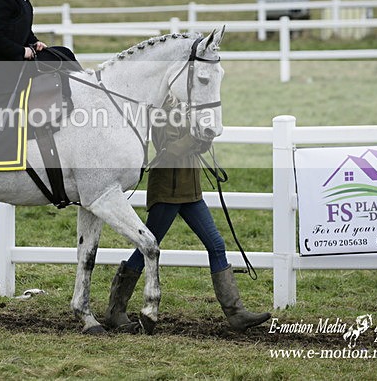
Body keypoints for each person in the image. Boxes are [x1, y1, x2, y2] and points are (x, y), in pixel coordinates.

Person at [103, 96, 271, 332]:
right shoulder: (161, 111)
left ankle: (236, 314)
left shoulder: (188, 107)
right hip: (168, 192)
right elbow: (169, 150)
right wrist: (196, 133)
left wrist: (206, 135)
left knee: (216, 245)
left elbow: (199, 146)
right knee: (147, 248)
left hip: (191, 191)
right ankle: (115, 310)